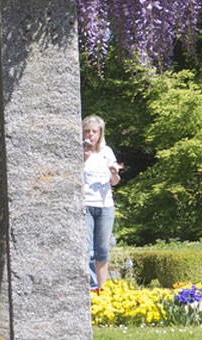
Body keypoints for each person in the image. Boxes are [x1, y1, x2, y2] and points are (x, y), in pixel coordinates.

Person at [83, 114, 122, 290]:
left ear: (100, 133)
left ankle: (102, 289)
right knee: (87, 249)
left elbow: (114, 182)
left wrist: (114, 173)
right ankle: (89, 286)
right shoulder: (78, 151)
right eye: (87, 131)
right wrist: (85, 155)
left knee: (103, 250)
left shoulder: (107, 152)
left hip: (105, 206)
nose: (90, 135)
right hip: (85, 204)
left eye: (94, 131)